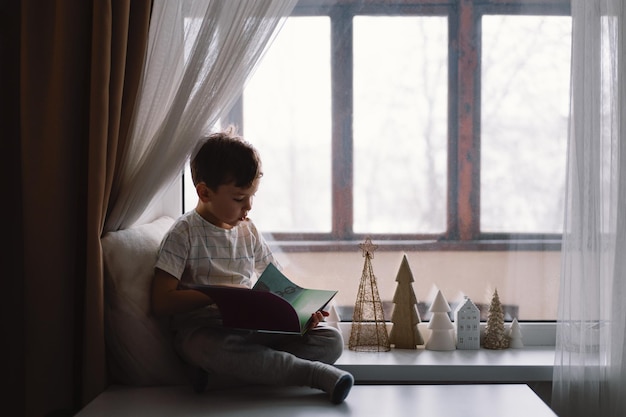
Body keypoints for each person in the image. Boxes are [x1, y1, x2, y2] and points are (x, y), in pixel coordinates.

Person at [151, 126, 354, 404]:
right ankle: (314, 375)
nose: (248, 207)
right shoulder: (184, 232)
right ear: (204, 192)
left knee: (330, 340)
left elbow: (279, 284)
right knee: (206, 347)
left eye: (251, 196)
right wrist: (214, 295)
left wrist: (301, 315)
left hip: (251, 332)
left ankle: (219, 379)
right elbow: (161, 301)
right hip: (206, 333)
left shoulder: (248, 231)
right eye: (238, 198)